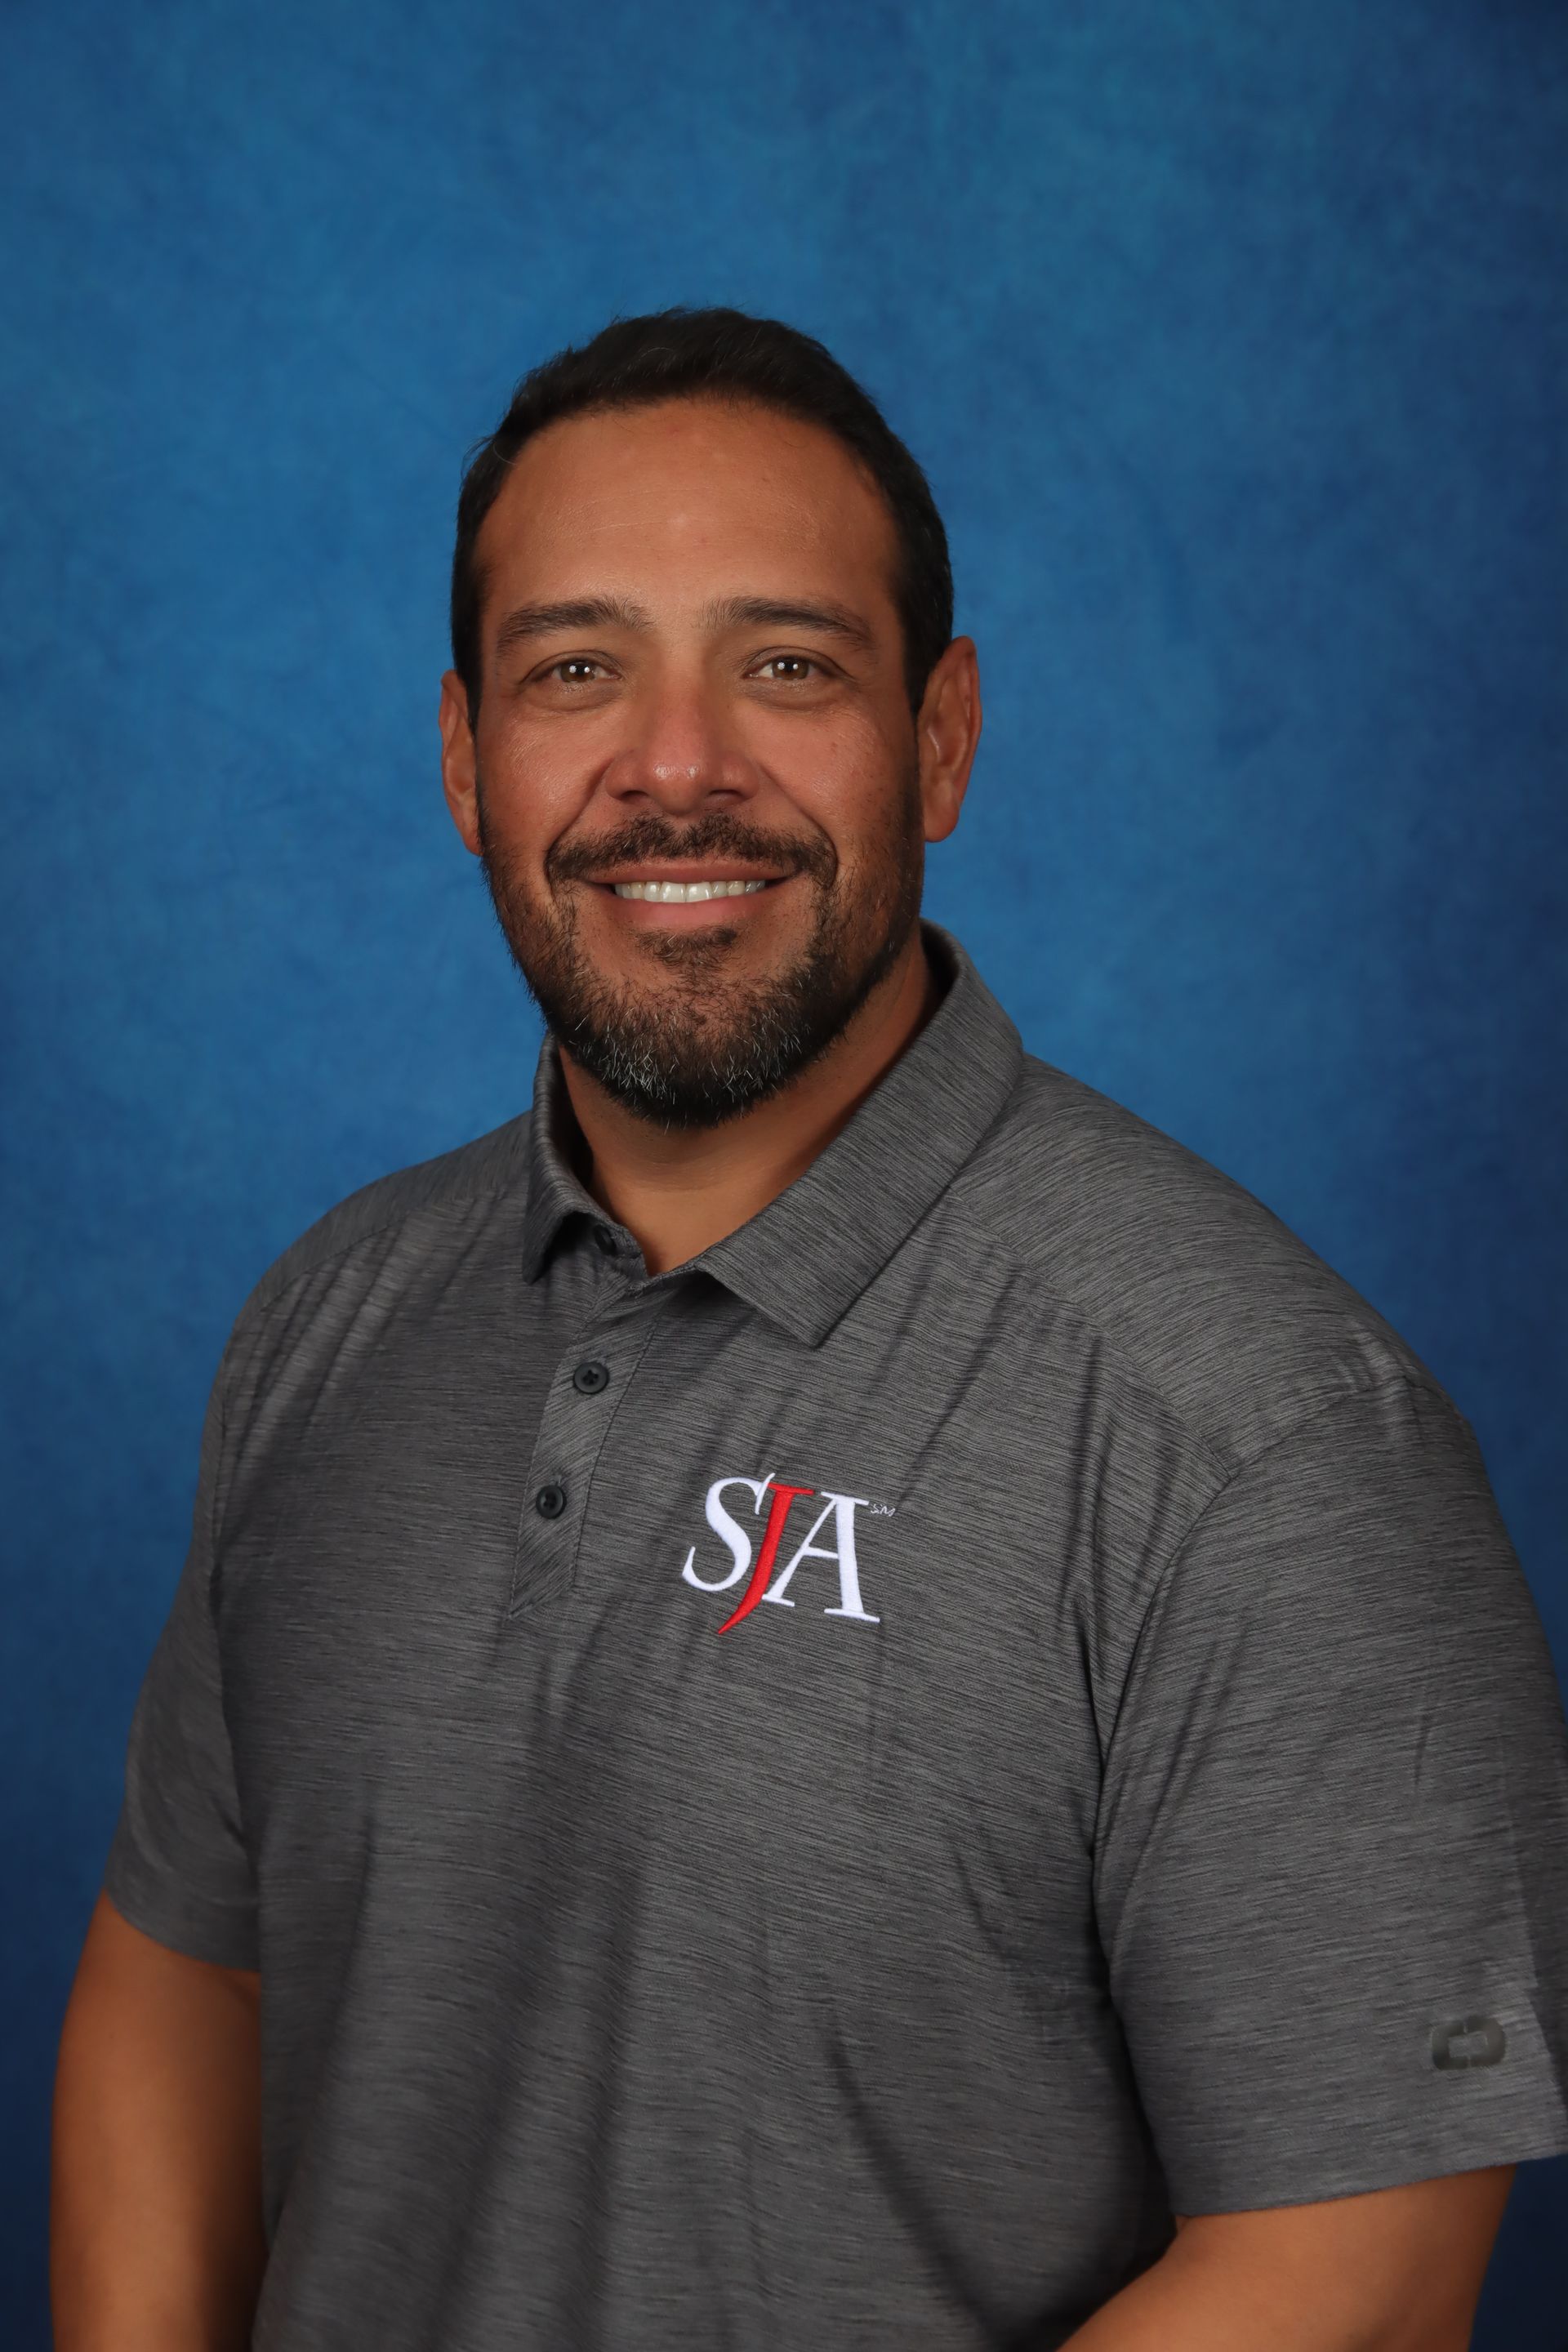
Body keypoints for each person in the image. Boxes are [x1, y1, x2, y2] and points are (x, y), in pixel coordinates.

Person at [52, 307, 1568, 2352]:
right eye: (576, 669)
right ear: (462, 756)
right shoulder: (329, 1319)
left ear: (940, 738)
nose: (677, 768)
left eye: (787, 666)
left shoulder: (1266, 1437)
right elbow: (187, 1974)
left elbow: (1357, 2275)